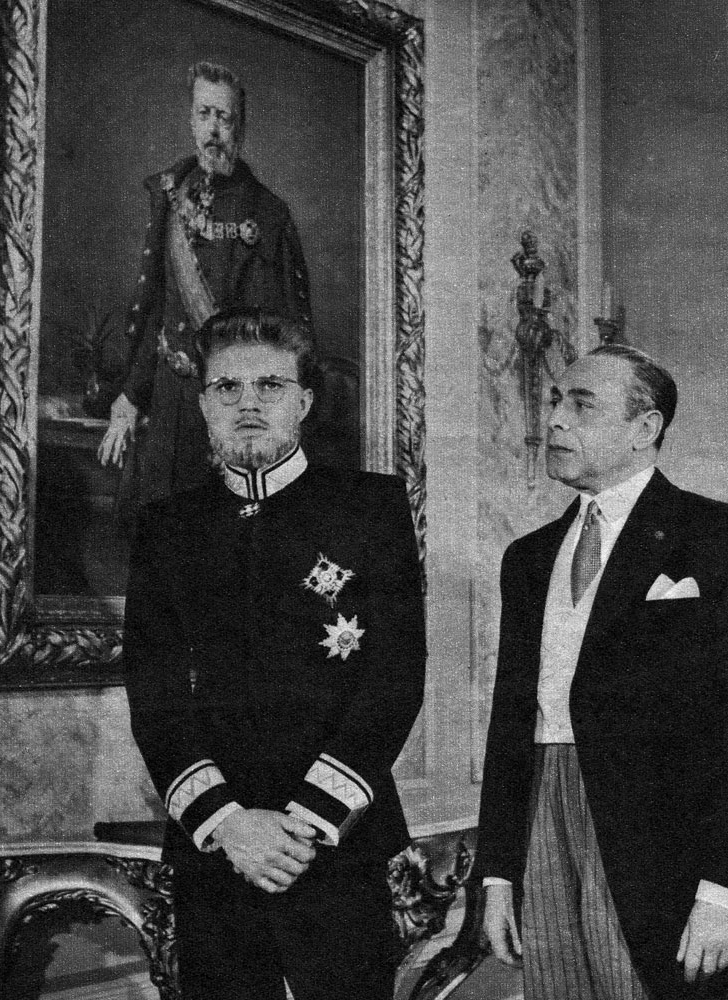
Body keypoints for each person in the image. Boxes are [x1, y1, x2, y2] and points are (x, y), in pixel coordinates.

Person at [123, 309, 426, 1000]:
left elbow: (394, 680)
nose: (249, 403)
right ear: (204, 404)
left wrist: (304, 825)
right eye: (227, 387)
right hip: (217, 848)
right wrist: (229, 824)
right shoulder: (168, 528)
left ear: (304, 402)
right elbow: (154, 693)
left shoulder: (370, 508)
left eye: (270, 385)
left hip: (336, 841)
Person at [476, 343, 728, 1000]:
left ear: (645, 428)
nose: (555, 419)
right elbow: (510, 719)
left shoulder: (713, 537)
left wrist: (721, 890)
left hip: (661, 846)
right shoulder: (528, 558)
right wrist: (497, 876)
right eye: (555, 401)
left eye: (581, 405)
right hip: (542, 811)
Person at [98, 61, 312, 504]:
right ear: (192, 120)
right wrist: (130, 398)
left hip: (232, 410)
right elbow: (157, 310)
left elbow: (286, 341)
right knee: (155, 522)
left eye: (224, 117)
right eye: (204, 114)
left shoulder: (269, 215)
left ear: (240, 127)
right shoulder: (170, 197)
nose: (213, 129)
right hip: (167, 401)